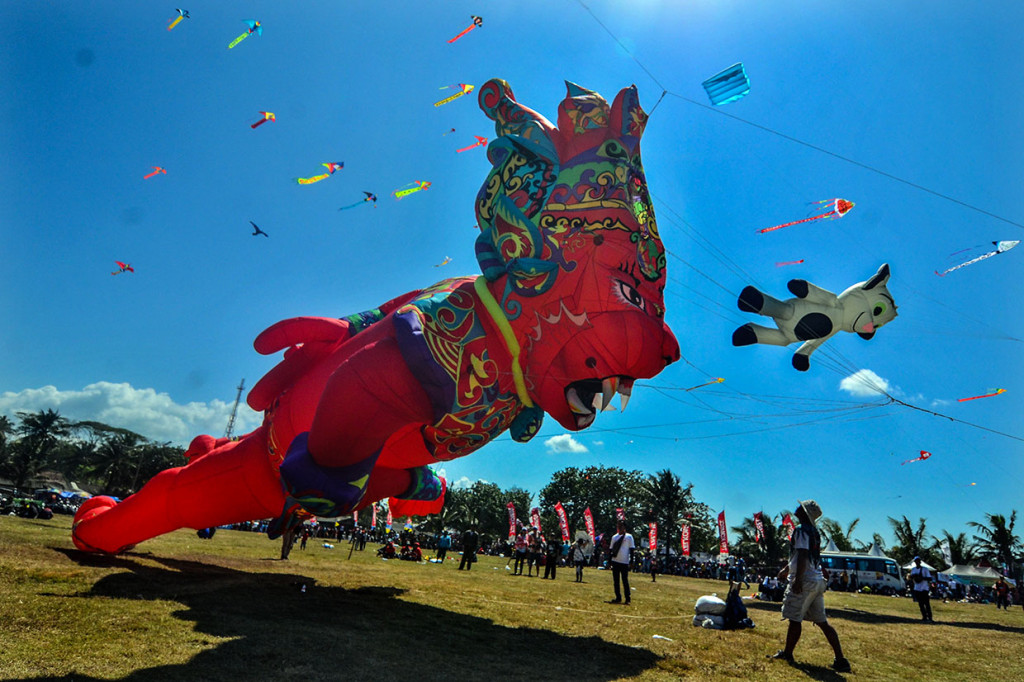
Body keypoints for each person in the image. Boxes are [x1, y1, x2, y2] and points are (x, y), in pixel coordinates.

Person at [769, 499, 851, 673]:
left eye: (800, 507)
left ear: (804, 513)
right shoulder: (814, 531)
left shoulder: (800, 530)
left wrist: (797, 580)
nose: (797, 508)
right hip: (817, 580)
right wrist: (786, 569)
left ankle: (788, 654)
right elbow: (806, 556)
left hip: (805, 580)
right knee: (822, 622)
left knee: (794, 618)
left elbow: (804, 555)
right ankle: (841, 659)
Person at [608, 520, 635, 605]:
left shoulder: (629, 537)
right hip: (615, 561)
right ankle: (618, 597)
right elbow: (611, 550)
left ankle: (627, 598)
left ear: (624, 527)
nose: (619, 528)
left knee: (625, 581)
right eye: (618, 526)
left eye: (621, 526)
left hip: (624, 562)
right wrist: (609, 561)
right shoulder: (614, 537)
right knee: (616, 581)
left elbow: (632, 550)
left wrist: (631, 561)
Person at [909, 556, 934, 622]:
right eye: (916, 561)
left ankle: (930, 617)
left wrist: (921, 578)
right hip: (917, 588)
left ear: (920, 562)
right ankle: (924, 617)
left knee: (927, 604)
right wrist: (913, 577)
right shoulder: (913, 569)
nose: (917, 562)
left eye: (918, 561)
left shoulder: (925, 569)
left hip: (924, 588)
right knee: (920, 604)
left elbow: (930, 578)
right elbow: (910, 577)